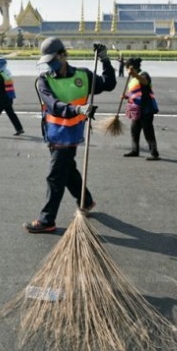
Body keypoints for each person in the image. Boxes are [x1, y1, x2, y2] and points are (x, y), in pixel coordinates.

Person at [23, 38, 116, 233]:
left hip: (71, 136)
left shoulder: (83, 75)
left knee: (55, 177)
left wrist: (105, 59)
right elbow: (53, 106)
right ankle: (86, 201)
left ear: (63, 55)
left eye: (53, 59)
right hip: (54, 134)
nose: (50, 64)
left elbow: (109, 84)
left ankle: (47, 220)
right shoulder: (43, 80)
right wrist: (79, 109)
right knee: (69, 171)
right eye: (47, 61)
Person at [122, 58, 161, 160]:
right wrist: (127, 96)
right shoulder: (134, 78)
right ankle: (135, 150)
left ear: (132, 68)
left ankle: (154, 153)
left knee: (148, 131)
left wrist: (134, 74)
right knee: (134, 130)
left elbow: (145, 82)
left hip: (146, 108)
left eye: (127, 69)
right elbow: (137, 93)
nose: (127, 72)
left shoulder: (144, 74)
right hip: (136, 108)